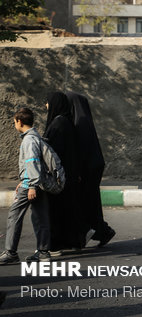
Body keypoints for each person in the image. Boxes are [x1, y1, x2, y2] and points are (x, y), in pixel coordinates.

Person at [0, 108, 51, 264]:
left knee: (14, 216)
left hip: (31, 185)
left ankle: (10, 252)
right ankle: (43, 252)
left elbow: (32, 162)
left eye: (14, 122)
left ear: (19, 121)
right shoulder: (35, 137)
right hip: (36, 182)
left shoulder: (28, 140)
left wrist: (30, 186)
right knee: (41, 216)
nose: (14, 124)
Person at [66, 91, 115, 247]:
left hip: (86, 170)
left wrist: (78, 171)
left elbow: (81, 151)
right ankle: (101, 231)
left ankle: (99, 232)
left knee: (85, 203)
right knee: (90, 203)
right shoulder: (84, 120)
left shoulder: (80, 122)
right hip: (92, 168)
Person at [44, 92, 89, 252]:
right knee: (69, 209)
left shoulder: (58, 124)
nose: (46, 106)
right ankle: (74, 241)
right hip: (69, 175)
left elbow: (53, 153)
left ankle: (56, 245)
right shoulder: (67, 122)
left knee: (58, 211)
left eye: (48, 102)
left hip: (60, 177)